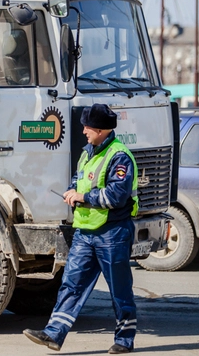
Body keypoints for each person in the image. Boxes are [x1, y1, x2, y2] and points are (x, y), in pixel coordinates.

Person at [23, 103, 139, 354]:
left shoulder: (119, 157)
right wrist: (72, 191)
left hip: (113, 232)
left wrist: (82, 197)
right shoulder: (87, 153)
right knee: (71, 283)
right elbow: (79, 180)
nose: (84, 131)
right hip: (85, 232)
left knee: (119, 289)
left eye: (88, 127)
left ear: (101, 130)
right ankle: (54, 333)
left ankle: (124, 340)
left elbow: (116, 196)